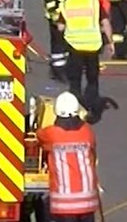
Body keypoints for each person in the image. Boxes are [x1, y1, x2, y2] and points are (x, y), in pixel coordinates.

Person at [36, 92, 101, 222]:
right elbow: (93, 153)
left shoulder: (51, 134)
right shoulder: (87, 131)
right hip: (88, 201)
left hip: (64, 204)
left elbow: (39, 136)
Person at [58, 0, 114, 117]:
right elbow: (105, 22)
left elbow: (60, 26)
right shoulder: (94, 2)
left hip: (74, 46)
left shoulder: (67, 3)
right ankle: (92, 109)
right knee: (92, 79)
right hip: (92, 46)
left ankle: (76, 109)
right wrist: (110, 42)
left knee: (75, 80)